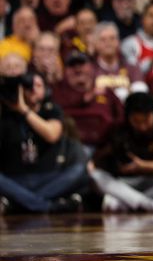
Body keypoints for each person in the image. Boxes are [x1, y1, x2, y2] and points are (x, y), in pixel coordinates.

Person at [0, 71, 88, 214]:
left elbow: (51, 135)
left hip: (48, 177)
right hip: (16, 178)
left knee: (80, 172)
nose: (33, 90)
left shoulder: (51, 109)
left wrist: (24, 110)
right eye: (29, 86)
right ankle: (46, 206)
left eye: (38, 85)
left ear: (46, 89)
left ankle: (20, 204)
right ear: (20, 89)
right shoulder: (6, 113)